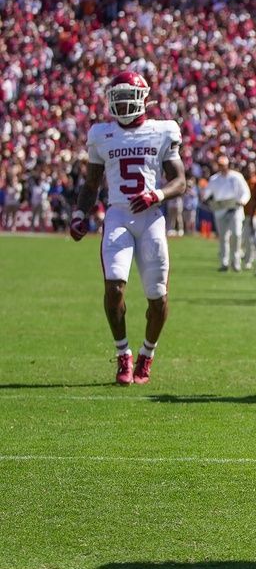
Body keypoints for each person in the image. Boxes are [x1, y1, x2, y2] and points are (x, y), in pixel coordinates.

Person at [69, 70, 188, 385]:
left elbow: (180, 181)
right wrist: (80, 212)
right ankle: (123, 354)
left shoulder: (161, 131)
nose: (122, 106)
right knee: (114, 286)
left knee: (157, 296)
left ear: (143, 99)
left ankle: (147, 355)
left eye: (127, 99)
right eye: (117, 99)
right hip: (118, 215)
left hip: (150, 218)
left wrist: (156, 194)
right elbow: (92, 183)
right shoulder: (102, 134)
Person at [204, 155, 251, 272]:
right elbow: (206, 193)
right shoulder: (214, 179)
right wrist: (207, 200)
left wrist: (242, 201)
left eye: (224, 165)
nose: (222, 168)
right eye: (220, 166)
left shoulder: (236, 177)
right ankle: (224, 262)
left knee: (236, 234)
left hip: (235, 208)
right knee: (223, 237)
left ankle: (236, 261)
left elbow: (246, 192)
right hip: (220, 209)